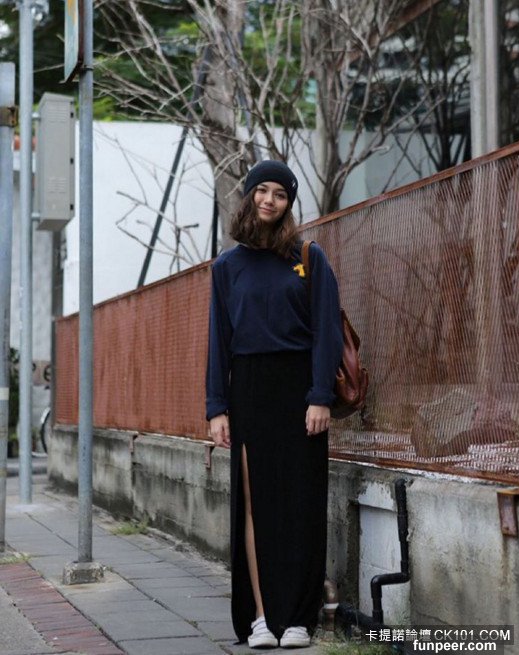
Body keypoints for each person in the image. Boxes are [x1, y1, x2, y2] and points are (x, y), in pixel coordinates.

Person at [206, 160, 343, 649]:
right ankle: (262, 618)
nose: (269, 200)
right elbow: (218, 340)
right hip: (248, 389)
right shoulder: (227, 267)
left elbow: (327, 330)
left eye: (279, 194)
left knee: (300, 503)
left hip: (300, 390)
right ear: (248, 197)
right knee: (254, 505)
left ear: (288, 204)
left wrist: (320, 396)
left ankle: (299, 618)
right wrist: (216, 408)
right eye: (261, 191)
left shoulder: (308, 256)